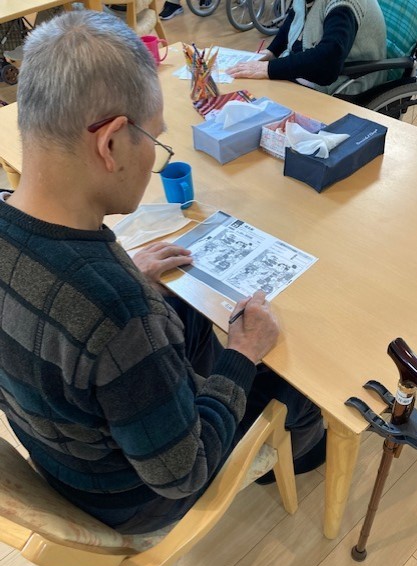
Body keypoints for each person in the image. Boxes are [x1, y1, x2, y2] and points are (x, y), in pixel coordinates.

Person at [0, 10, 325, 535]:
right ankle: (304, 456)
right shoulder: (120, 314)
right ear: (110, 144)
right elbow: (182, 473)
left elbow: (60, 310)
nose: (156, 153)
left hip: (61, 452)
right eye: (155, 138)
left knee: (185, 309)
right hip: (132, 498)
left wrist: (126, 275)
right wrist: (242, 354)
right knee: (300, 389)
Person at [227, 0, 387, 95]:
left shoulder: (344, 4)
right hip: (313, 71)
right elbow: (295, 16)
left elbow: (329, 61)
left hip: (348, 83)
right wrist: (271, 52)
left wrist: (269, 68)